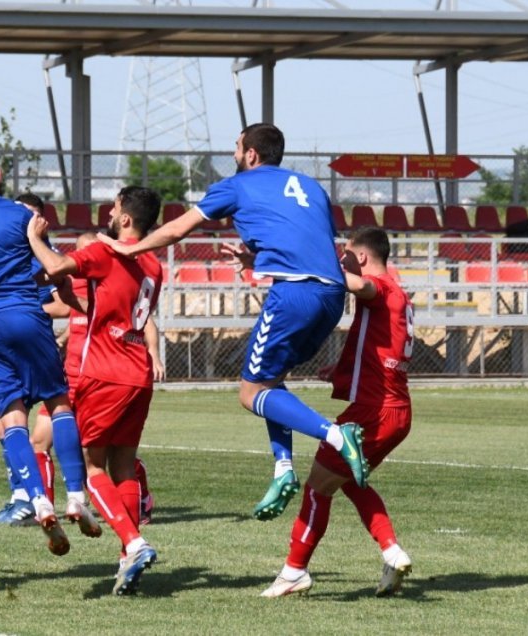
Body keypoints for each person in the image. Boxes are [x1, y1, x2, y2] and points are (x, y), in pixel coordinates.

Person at [101, 122, 369, 521]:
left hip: (293, 294)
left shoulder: (238, 185)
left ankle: (335, 435)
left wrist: (131, 249)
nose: (233, 155)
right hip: (332, 296)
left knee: (249, 393)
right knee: (270, 381)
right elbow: (308, 243)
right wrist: (258, 261)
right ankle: (282, 470)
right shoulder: (311, 187)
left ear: (252, 155)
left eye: (237, 147)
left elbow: (177, 228)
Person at [0, 147, 96, 557]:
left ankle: (37, 499)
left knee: (11, 417)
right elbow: (51, 267)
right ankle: (77, 497)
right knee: (59, 404)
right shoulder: (21, 216)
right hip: (24, 315)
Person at [260, 227, 413, 598]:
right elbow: (377, 343)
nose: (341, 259)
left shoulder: (383, 286)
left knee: (316, 487)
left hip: (373, 412)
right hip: (395, 410)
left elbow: (362, 287)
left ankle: (294, 570)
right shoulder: (400, 293)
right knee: (347, 480)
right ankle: (392, 551)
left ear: (361, 258)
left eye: (345, 254)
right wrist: (343, 370)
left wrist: (303, 264)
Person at [27, 185, 163, 596]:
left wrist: (35, 237)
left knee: (92, 468)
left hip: (103, 373)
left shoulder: (106, 251)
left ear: (125, 218)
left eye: (115, 206)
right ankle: (128, 554)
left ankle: (135, 543)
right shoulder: (154, 262)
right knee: (124, 467)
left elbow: (55, 263)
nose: (109, 211)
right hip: (137, 373)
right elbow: (101, 303)